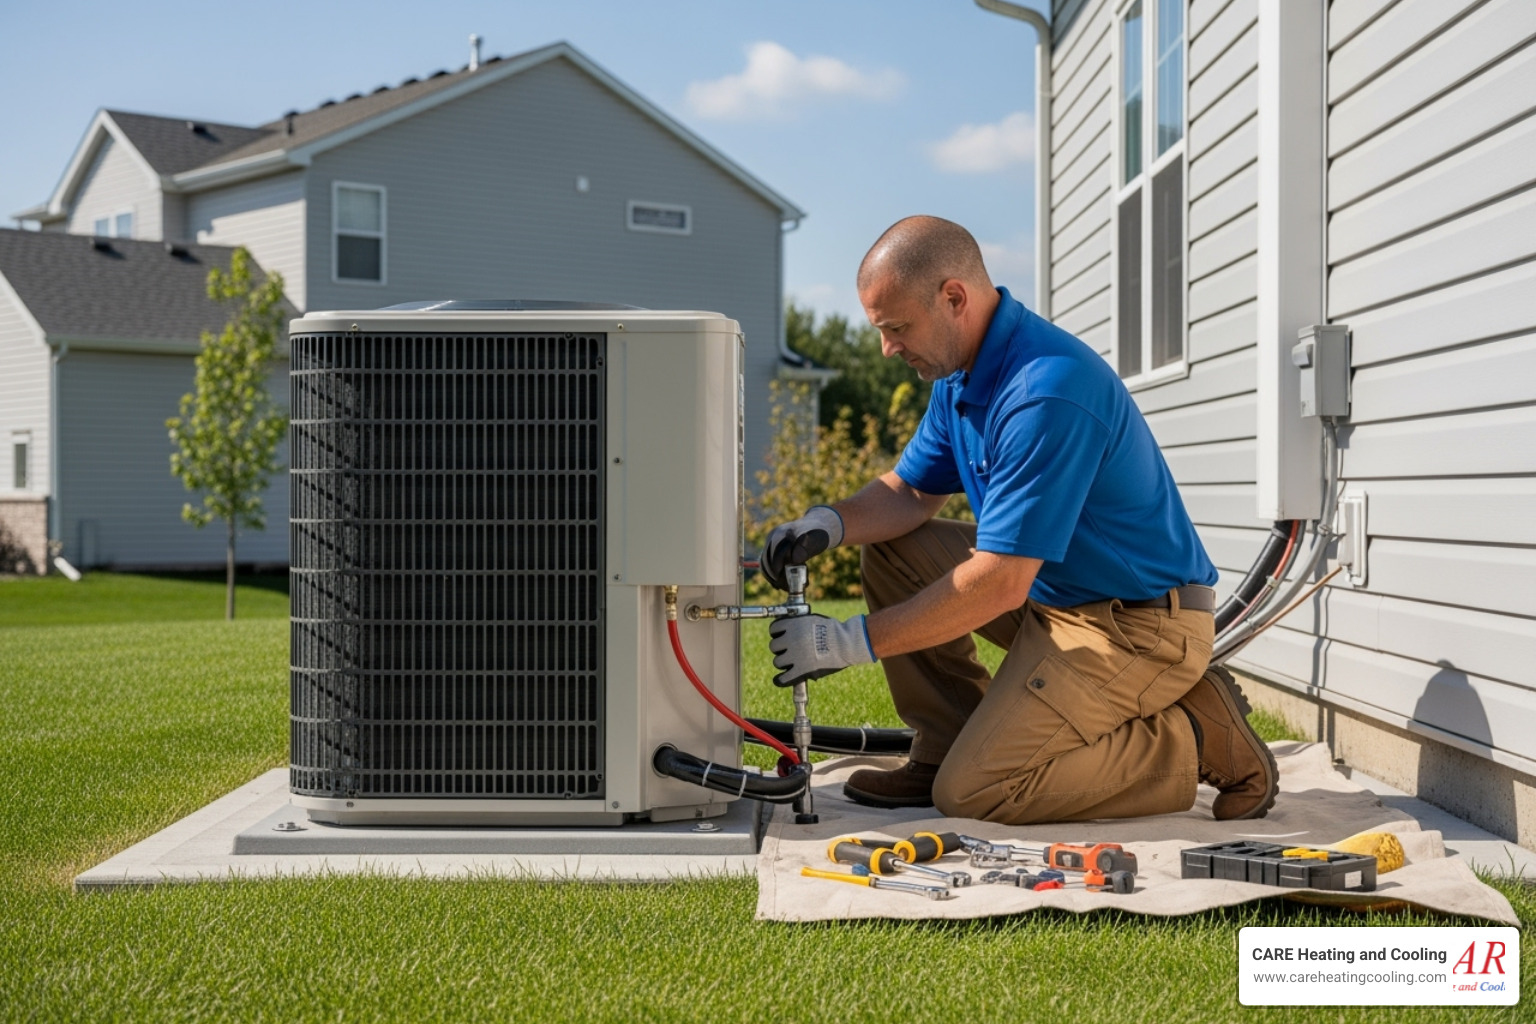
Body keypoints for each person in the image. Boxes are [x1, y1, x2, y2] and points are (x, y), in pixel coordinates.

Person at [762, 215, 1278, 825]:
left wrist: (847, 641)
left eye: (897, 328)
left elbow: (1000, 581)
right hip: (1054, 594)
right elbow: (909, 495)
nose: (888, 348)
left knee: (980, 792)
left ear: (954, 298)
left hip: (1136, 628)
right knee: (894, 549)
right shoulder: (961, 375)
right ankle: (946, 746)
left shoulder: (1044, 391)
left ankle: (1192, 736)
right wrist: (827, 521)